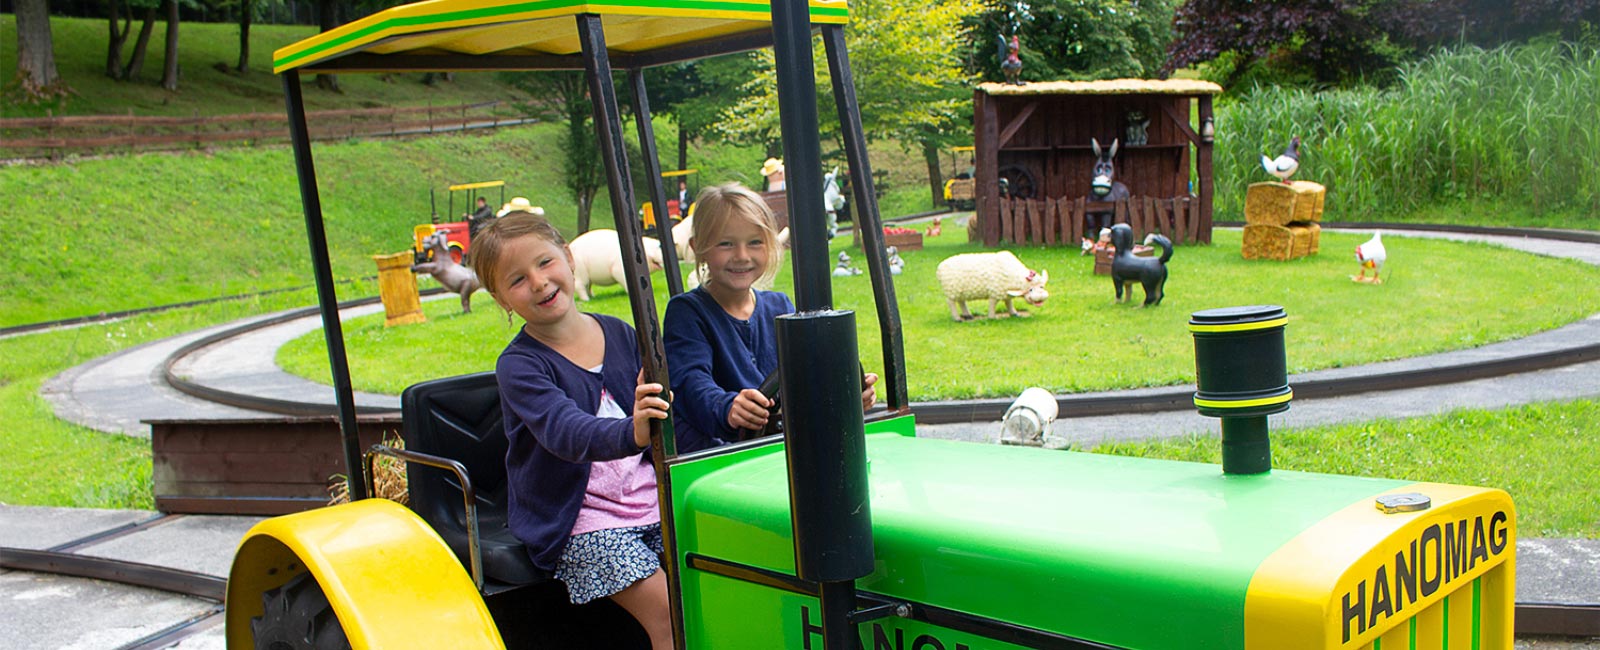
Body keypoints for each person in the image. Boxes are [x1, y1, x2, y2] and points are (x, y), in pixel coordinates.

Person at [467, 211, 673, 650]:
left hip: (649, 497)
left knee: (722, 573)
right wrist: (632, 431)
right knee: (672, 613)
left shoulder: (619, 333)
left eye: (545, 263)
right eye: (517, 280)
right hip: (576, 518)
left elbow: (677, 409)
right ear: (501, 299)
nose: (538, 282)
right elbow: (566, 432)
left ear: (569, 257)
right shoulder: (521, 366)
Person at [663, 183, 877, 453]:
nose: (741, 256)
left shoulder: (780, 307)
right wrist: (727, 408)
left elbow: (809, 377)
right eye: (726, 244)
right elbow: (690, 383)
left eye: (754, 243)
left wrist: (847, 393)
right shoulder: (687, 312)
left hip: (782, 447)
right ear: (699, 248)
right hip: (719, 453)